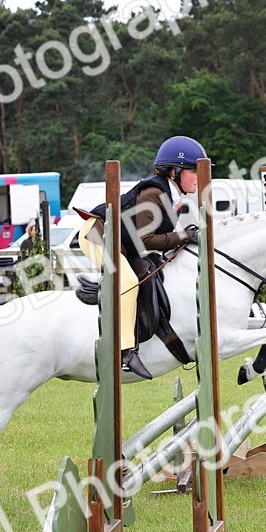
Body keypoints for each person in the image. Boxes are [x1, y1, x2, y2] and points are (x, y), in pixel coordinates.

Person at [77, 135, 204, 379]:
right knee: (127, 282)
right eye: (193, 171)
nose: (198, 178)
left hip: (122, 243)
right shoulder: (153, 194)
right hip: (97, 233)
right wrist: (182, 236)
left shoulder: (169, 195)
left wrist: (181, 238)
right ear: (174, 172)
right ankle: (125, 351)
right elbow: (146, 240)